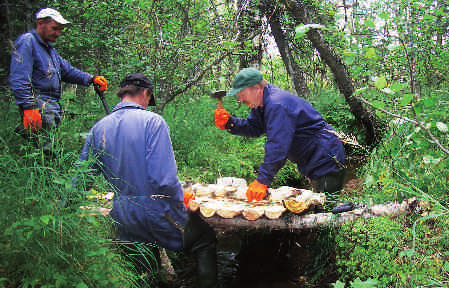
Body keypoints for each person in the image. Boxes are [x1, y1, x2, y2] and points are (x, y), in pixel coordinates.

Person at [78, 73, 216, 287]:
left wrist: (62, 208)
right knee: (204, 239)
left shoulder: (99, 128)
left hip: (122, 217)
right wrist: (182, 199)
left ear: (122, 94)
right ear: (145, 94)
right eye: (148, 101)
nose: (147, 105)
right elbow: (164, 181)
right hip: (154, 213)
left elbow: (81, 179)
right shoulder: (153, 122)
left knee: (142, 269)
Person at [214, 67, 346, 202]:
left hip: (326, 158)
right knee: (317, 206)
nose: (240, 99)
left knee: (324, 210)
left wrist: (262, 181)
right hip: (313, 160)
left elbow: (278, 145)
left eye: (241, 94)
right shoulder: (261, 105)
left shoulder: (277, 104)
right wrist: (230, 123)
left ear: (256, 88)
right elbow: (254, 128)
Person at [8, 7, 107, 135]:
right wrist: (28, 108)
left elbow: (68, 71)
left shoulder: (50, 50)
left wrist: (91, 78)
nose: (57, 33)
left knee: (49, 149)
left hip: (51, 108)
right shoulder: (28, 42)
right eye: (54, 28)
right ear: (40, 23)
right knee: (45, 151)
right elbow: (19, 77)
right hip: (38, 106)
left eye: (60, 30)